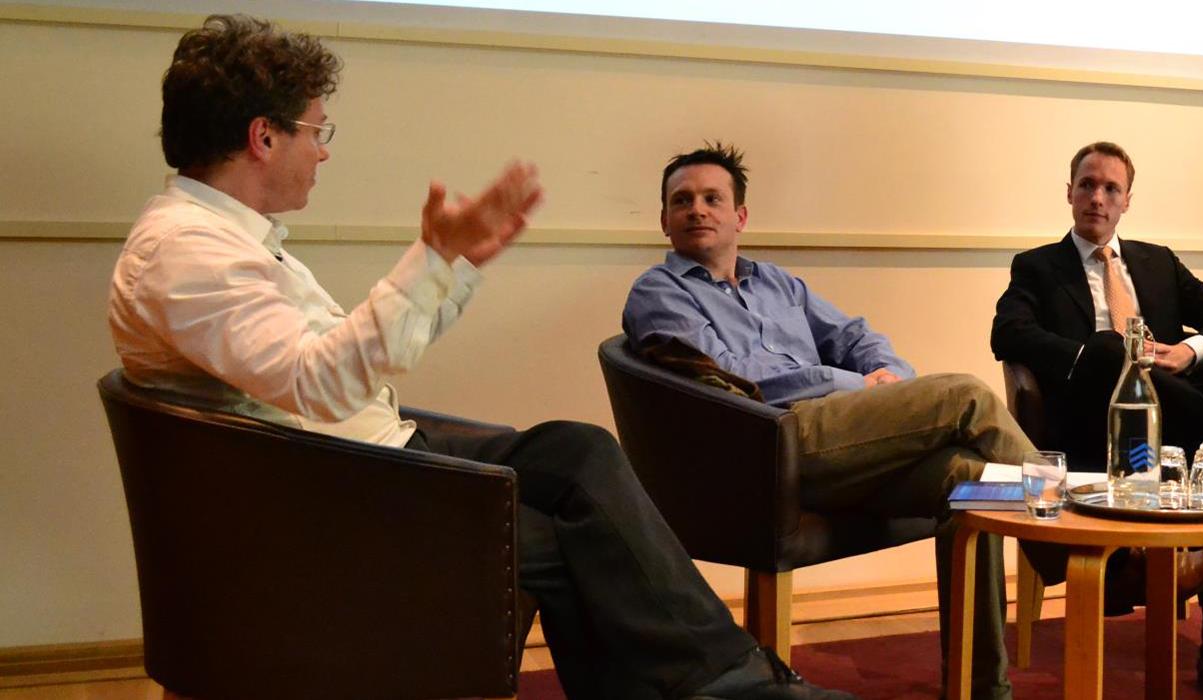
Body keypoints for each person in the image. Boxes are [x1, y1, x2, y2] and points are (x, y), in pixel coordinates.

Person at [106, 15, 848, 700]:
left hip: (352, 458)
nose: (323, 148)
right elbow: (320, 385)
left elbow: (337, 371)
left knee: (580, 453)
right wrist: (430, 258)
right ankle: (745, 687)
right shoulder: (189, 254)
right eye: (316, 130)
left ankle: (730, 681)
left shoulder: (223, 239)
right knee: (576, 541)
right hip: (327, 500)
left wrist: (451, 266)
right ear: (264, 137)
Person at [621, 143, 1203, 700]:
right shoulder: (660, 292)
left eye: (711, 199)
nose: (697, 210)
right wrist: (853, 384)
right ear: (664, 220)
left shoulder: (776, 282)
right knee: (964, 395)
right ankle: (1096, 556)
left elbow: (854, 335)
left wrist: (884, 372)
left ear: (740, 216)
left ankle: (982, 689)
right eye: (682, 201)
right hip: (770, 444)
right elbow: (731, 377)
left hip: (845, 437)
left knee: (980, 486)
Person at [989, 141, 1203, 700]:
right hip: (1090, 423)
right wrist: (1093, 359)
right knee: (1110, 350)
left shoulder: (1157, 261)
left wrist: (1188, 352)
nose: (1097, 198)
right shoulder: (1037, 266)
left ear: (1127, 201)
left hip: (1176, 423)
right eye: (1087, 185)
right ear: (1069, 192)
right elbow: (1007, 333)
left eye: (1110, 189)